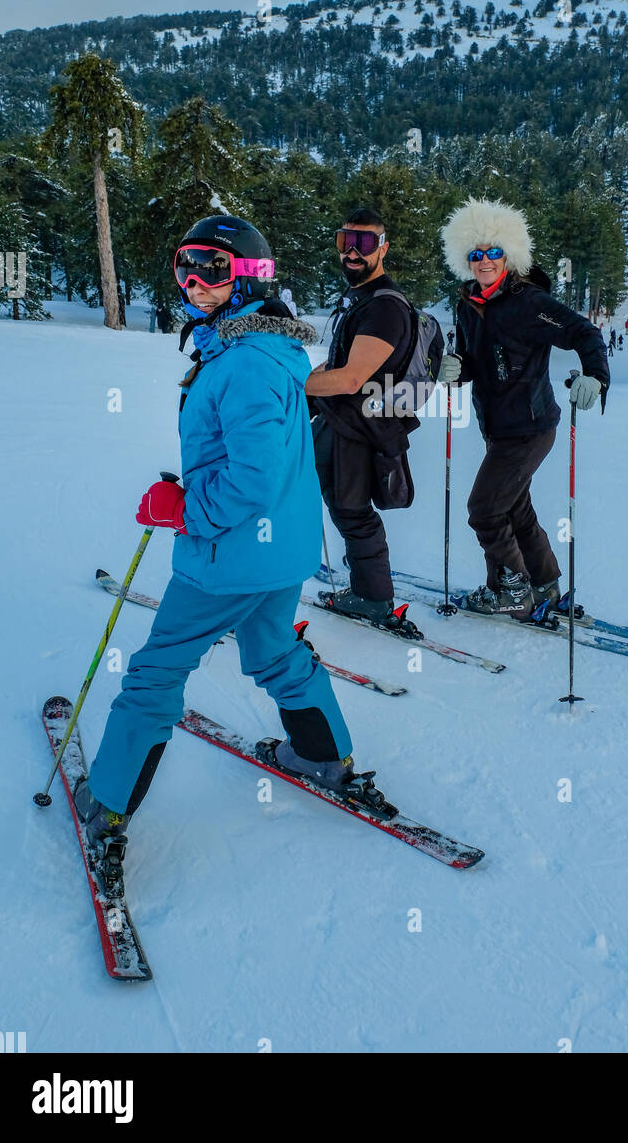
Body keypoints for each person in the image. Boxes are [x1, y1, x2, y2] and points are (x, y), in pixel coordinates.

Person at [73, 212, 376, 890]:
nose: (191, 280)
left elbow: (255, 477)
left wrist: (183, 508)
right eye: (183, 265)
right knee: (274, 654)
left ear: (247, 276)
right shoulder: (269, 349)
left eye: (209, 267)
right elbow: (255, 460)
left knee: (154, 677)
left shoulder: (240, 361)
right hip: (281, 554)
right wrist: (197, 487)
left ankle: (108, 807)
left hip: (226, 558)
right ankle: (324, 758)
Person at [438, 199, 609, 620]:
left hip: (530, 426)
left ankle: (510, 589)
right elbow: (474, 363)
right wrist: (455, 370)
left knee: (485, 508)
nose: (484, 262)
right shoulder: (468, 304)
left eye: (493, 252)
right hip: (496, 427)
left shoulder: (529, 303)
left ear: (509, 255)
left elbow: (584, 333)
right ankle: (543, 582)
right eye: (475, 254)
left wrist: (596, 377)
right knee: (514, 507)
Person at [307, 208, 421, 635]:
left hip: (356, 428)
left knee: (351, 511)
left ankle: (372, 597)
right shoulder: (362, 300)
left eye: (365, 243)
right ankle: (369, 592)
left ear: (383, 248)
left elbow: (353, 377)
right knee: (345, 508)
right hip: (349, 423)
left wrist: (292, 387)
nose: (353, 252)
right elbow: (342, 365)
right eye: (345, 241)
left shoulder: (384, 307)